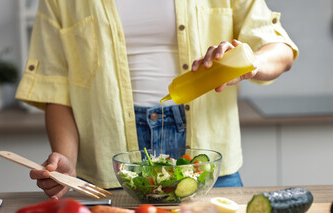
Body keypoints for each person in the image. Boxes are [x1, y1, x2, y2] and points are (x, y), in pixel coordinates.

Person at [16, 0, 298, 199]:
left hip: (208, 163)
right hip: (108, 165)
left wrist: (248, 62)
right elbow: (56, 87)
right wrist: (67, 161)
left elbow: (280, 49)